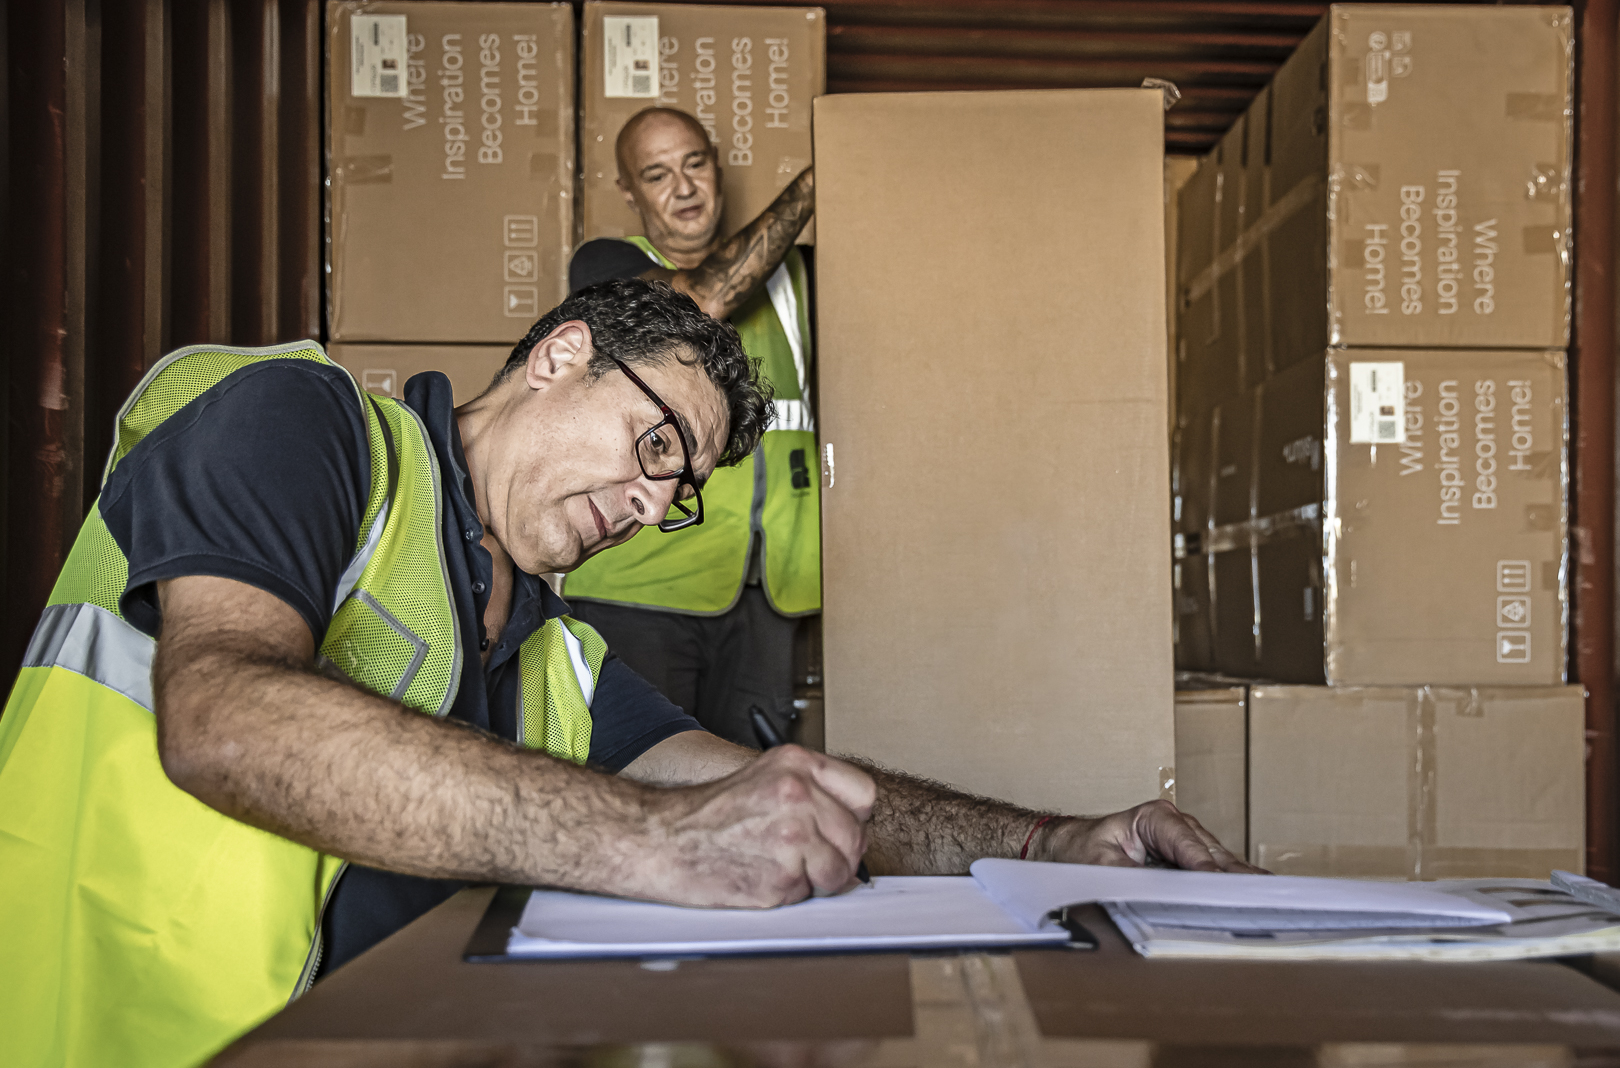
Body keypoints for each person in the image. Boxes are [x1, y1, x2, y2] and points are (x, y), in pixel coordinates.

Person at [0, 280, 1253, 1068]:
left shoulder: (553, 650)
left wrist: (1053, 839)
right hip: (129, 1037)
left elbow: (789, 788)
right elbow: (222, 718)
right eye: (655, 444)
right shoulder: (307, 426)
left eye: (681, 490)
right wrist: (654, 840)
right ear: (561, 354)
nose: (656, 504)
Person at [565, 106, 817, 747]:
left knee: (749, 796)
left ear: (717, 168)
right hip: (641, 587)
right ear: (630, 192)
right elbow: (699, 302)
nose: (683, 187)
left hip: (768, 591)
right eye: (656, 174)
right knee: (644, 786)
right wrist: (820, 182)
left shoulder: (800, 279)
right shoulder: (607, 265)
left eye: (695, 163)